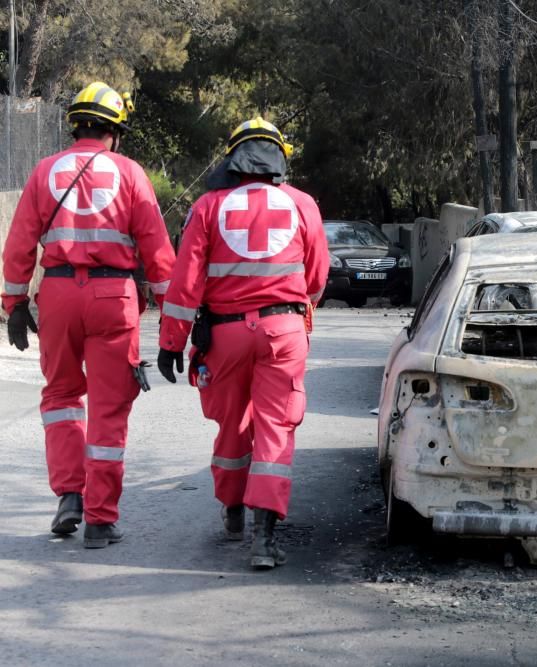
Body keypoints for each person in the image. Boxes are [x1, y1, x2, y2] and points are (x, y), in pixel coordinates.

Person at [1, 81, 176, 547]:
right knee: (108, 407)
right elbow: (159, 255)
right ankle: (100, 519)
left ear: (75, 125)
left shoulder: (44, 172)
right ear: (114, 132)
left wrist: (14, 304)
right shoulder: (131, 173)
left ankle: (69, 497)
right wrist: (178, 322)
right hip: (112, 298)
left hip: (57, 294)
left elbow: (19, 244)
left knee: (60, 397)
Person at [157, 117, 329, 570]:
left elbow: (185, 281)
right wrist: (295, 308)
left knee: (232, 425)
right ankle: (265, 538)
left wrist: (171, 342)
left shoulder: (208, 206)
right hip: (283, 333)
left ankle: (233, 512)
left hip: (225, 335)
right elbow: (316, 278)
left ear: (232, 158)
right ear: (279, 158)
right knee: (276, 427)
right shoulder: (302, 204)